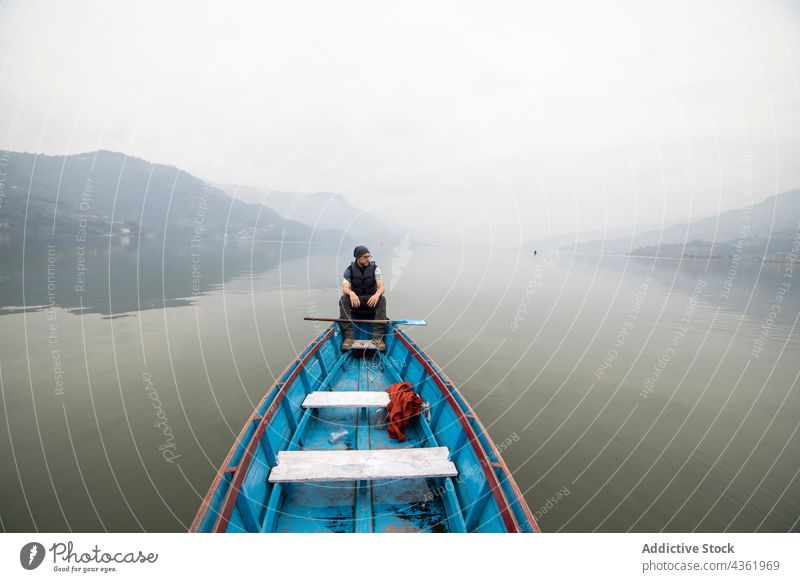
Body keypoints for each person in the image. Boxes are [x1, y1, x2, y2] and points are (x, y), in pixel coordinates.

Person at [339, 245, 387, 351]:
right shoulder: (349, 270)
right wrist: (351, 293)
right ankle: (349, 337)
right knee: (343, 299)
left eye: (369, 256)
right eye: (365, 256)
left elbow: (381, 287)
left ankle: (378, 338)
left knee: (382, 299)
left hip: (371, 302)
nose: (368, 259)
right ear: (358, 257)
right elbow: (345, 288)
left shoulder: (376, 269)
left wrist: (377, 294)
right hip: (356, 303)